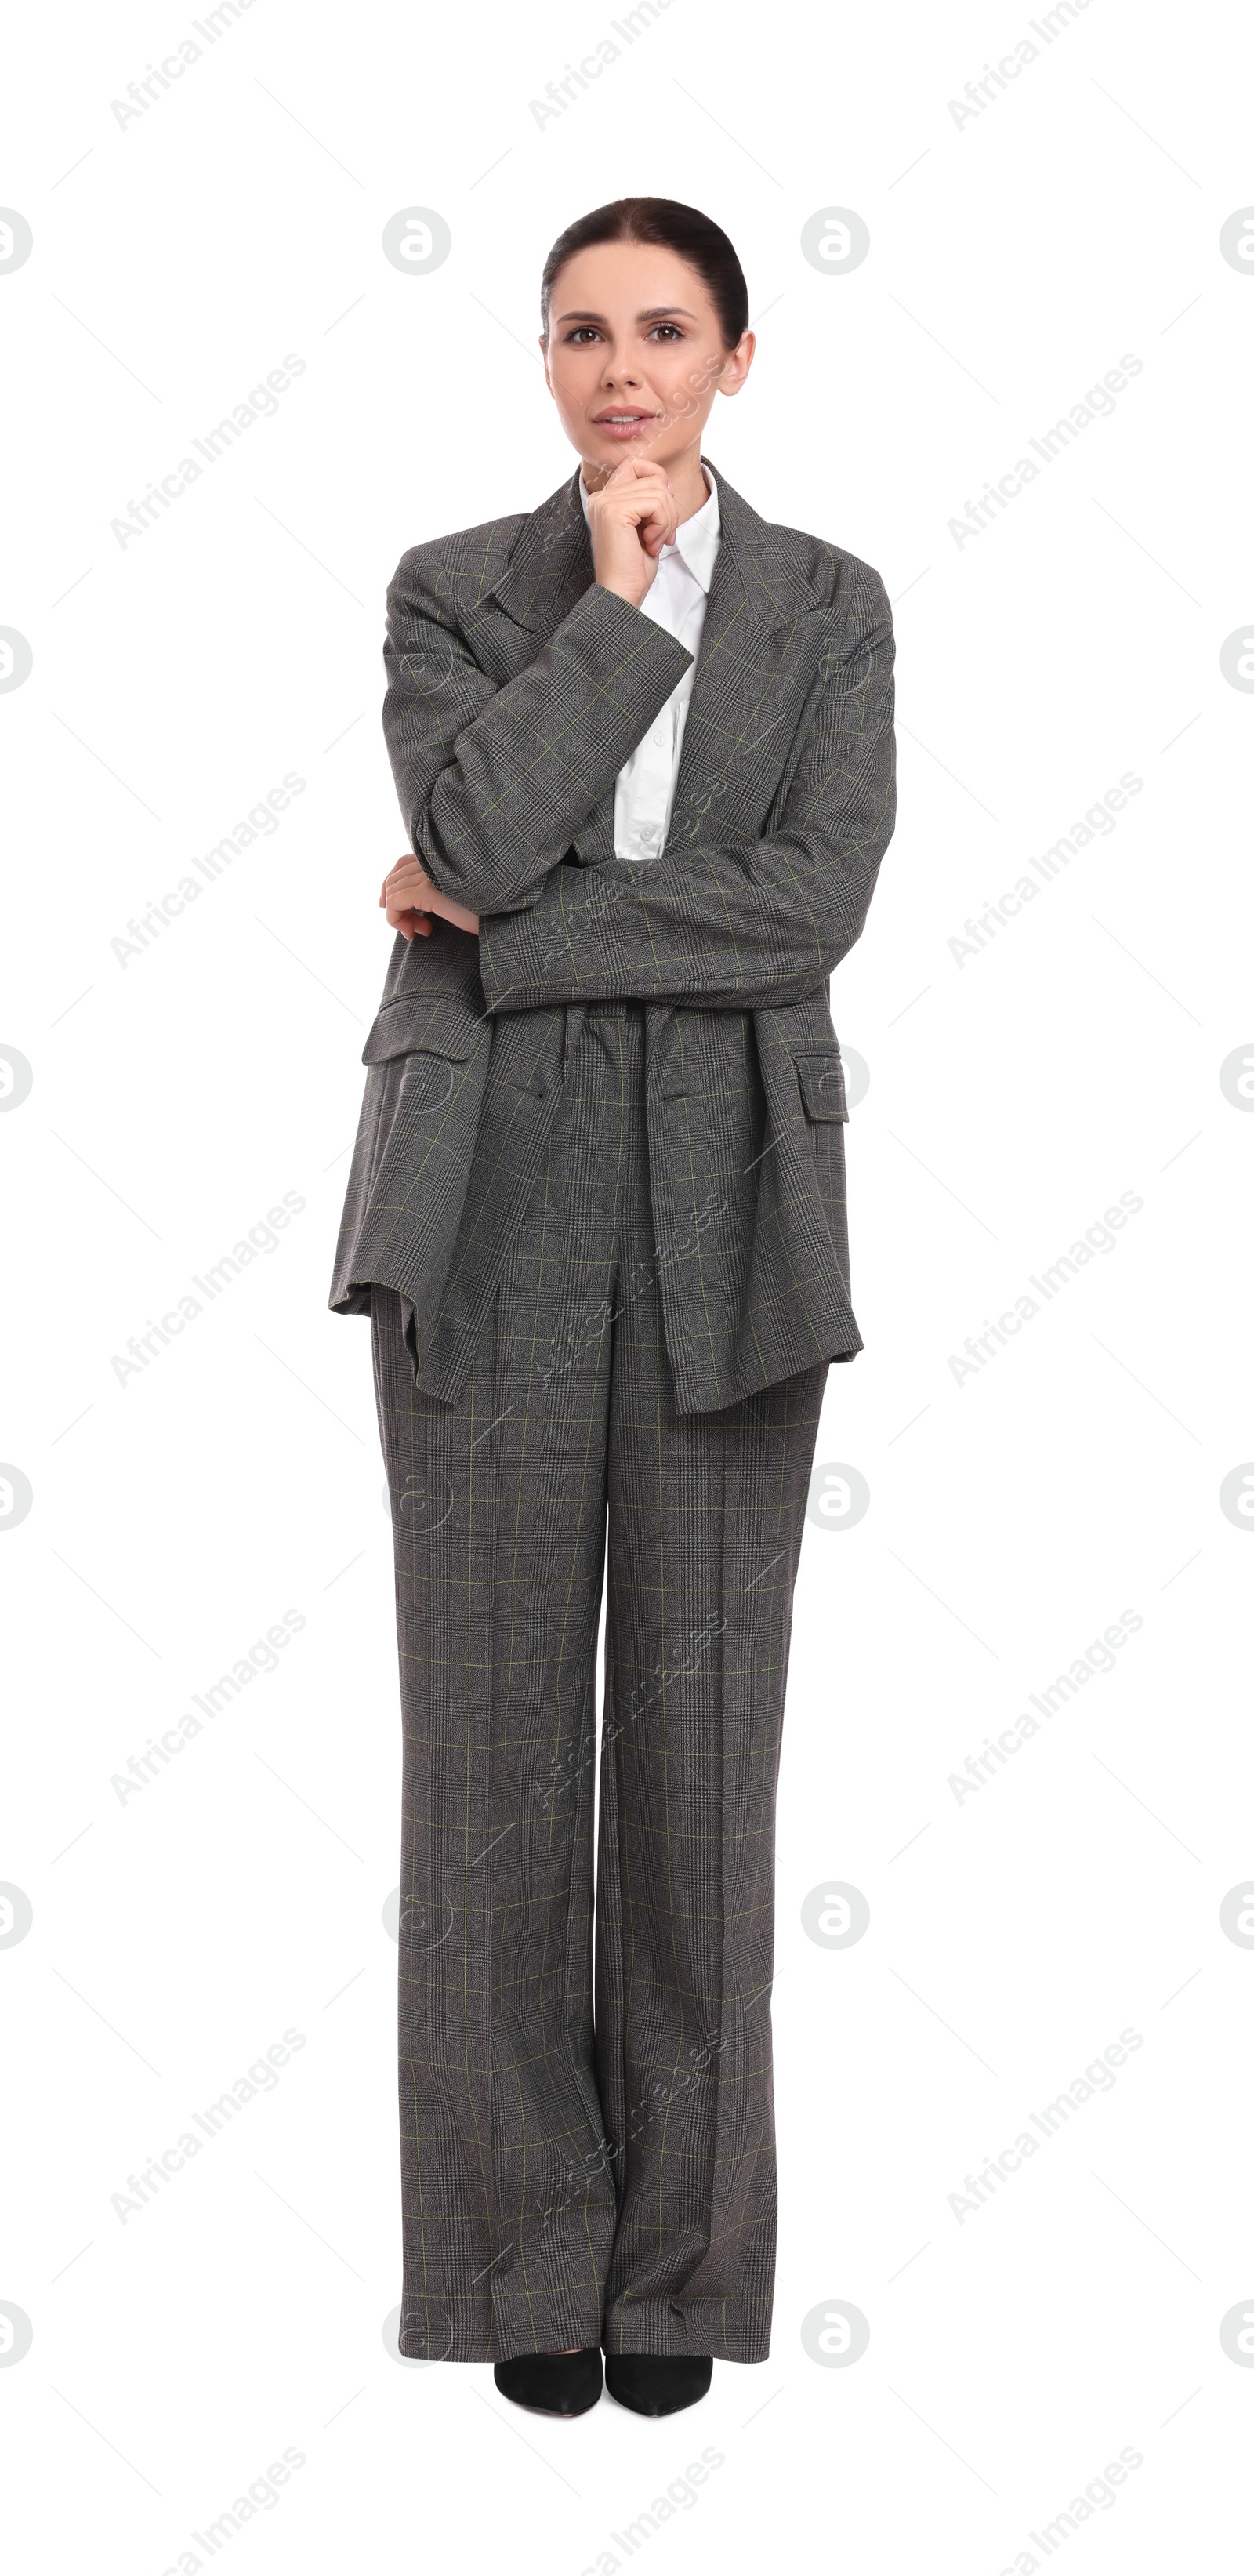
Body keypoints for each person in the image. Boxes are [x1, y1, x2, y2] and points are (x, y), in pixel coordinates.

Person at [328, 194, 896, 2421]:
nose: (623, 368)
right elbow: (473, 805)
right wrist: (632, 599)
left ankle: (672, 2280)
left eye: (668, 330)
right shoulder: (460, 588)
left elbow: (814, 905)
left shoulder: (838, 607)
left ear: (737, 359)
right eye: (582, 331)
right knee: (486, 1774)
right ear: (543, 362)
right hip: (488, 1193)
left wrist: (514, 925)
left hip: (732, 1197)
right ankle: (519, 2272)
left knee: (699, 1772)